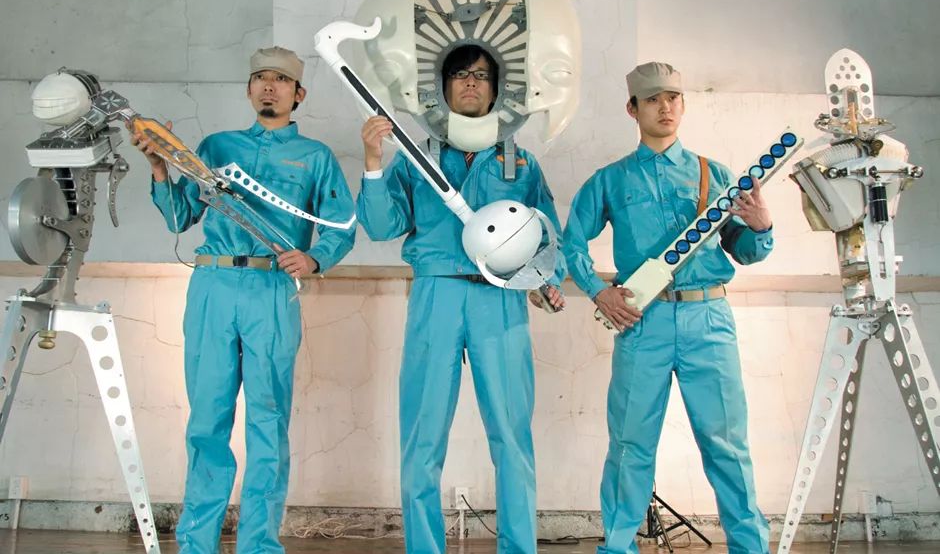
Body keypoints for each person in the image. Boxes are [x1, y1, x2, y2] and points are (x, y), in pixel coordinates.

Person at [131, 46, 356, 553]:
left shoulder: (315, 157)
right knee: (207, 420)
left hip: (270, 290)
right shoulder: (215, 147)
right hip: (212, 287)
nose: (269, 86)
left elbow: (342, 225)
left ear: (299, 94)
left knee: (267, 422)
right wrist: (159, 168)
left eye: (281, 79)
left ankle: (259, 545)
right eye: (260, 78)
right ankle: (196, 544)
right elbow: (179, 218)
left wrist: (315, 258)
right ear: (249, 89)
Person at [357, 44, 565, 554]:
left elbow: (548, 235)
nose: (470, 83)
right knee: (422, 438)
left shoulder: (521, 162)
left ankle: (519, 548)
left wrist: (545, 282)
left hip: (501, 300)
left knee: (512, 438)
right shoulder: (415, 158)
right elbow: (381, 226)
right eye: (459, 74)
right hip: (436, 295)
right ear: (443, 87)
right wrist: (373, 161)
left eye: (481, 75)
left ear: (496, 89)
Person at [563, 62, 774, 554]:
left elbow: (744, 251)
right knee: (630, 444)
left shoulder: (715, 175)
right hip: (643, 322)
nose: (665, 107)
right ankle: (618, 546)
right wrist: (598, 291)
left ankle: (751, 548)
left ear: (683, 104)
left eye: (673, 98)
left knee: (727, 444)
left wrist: (761, 226)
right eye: (653, 99)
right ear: (632, 109)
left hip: (709, 319)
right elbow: (571, 242)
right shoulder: (610, 180)